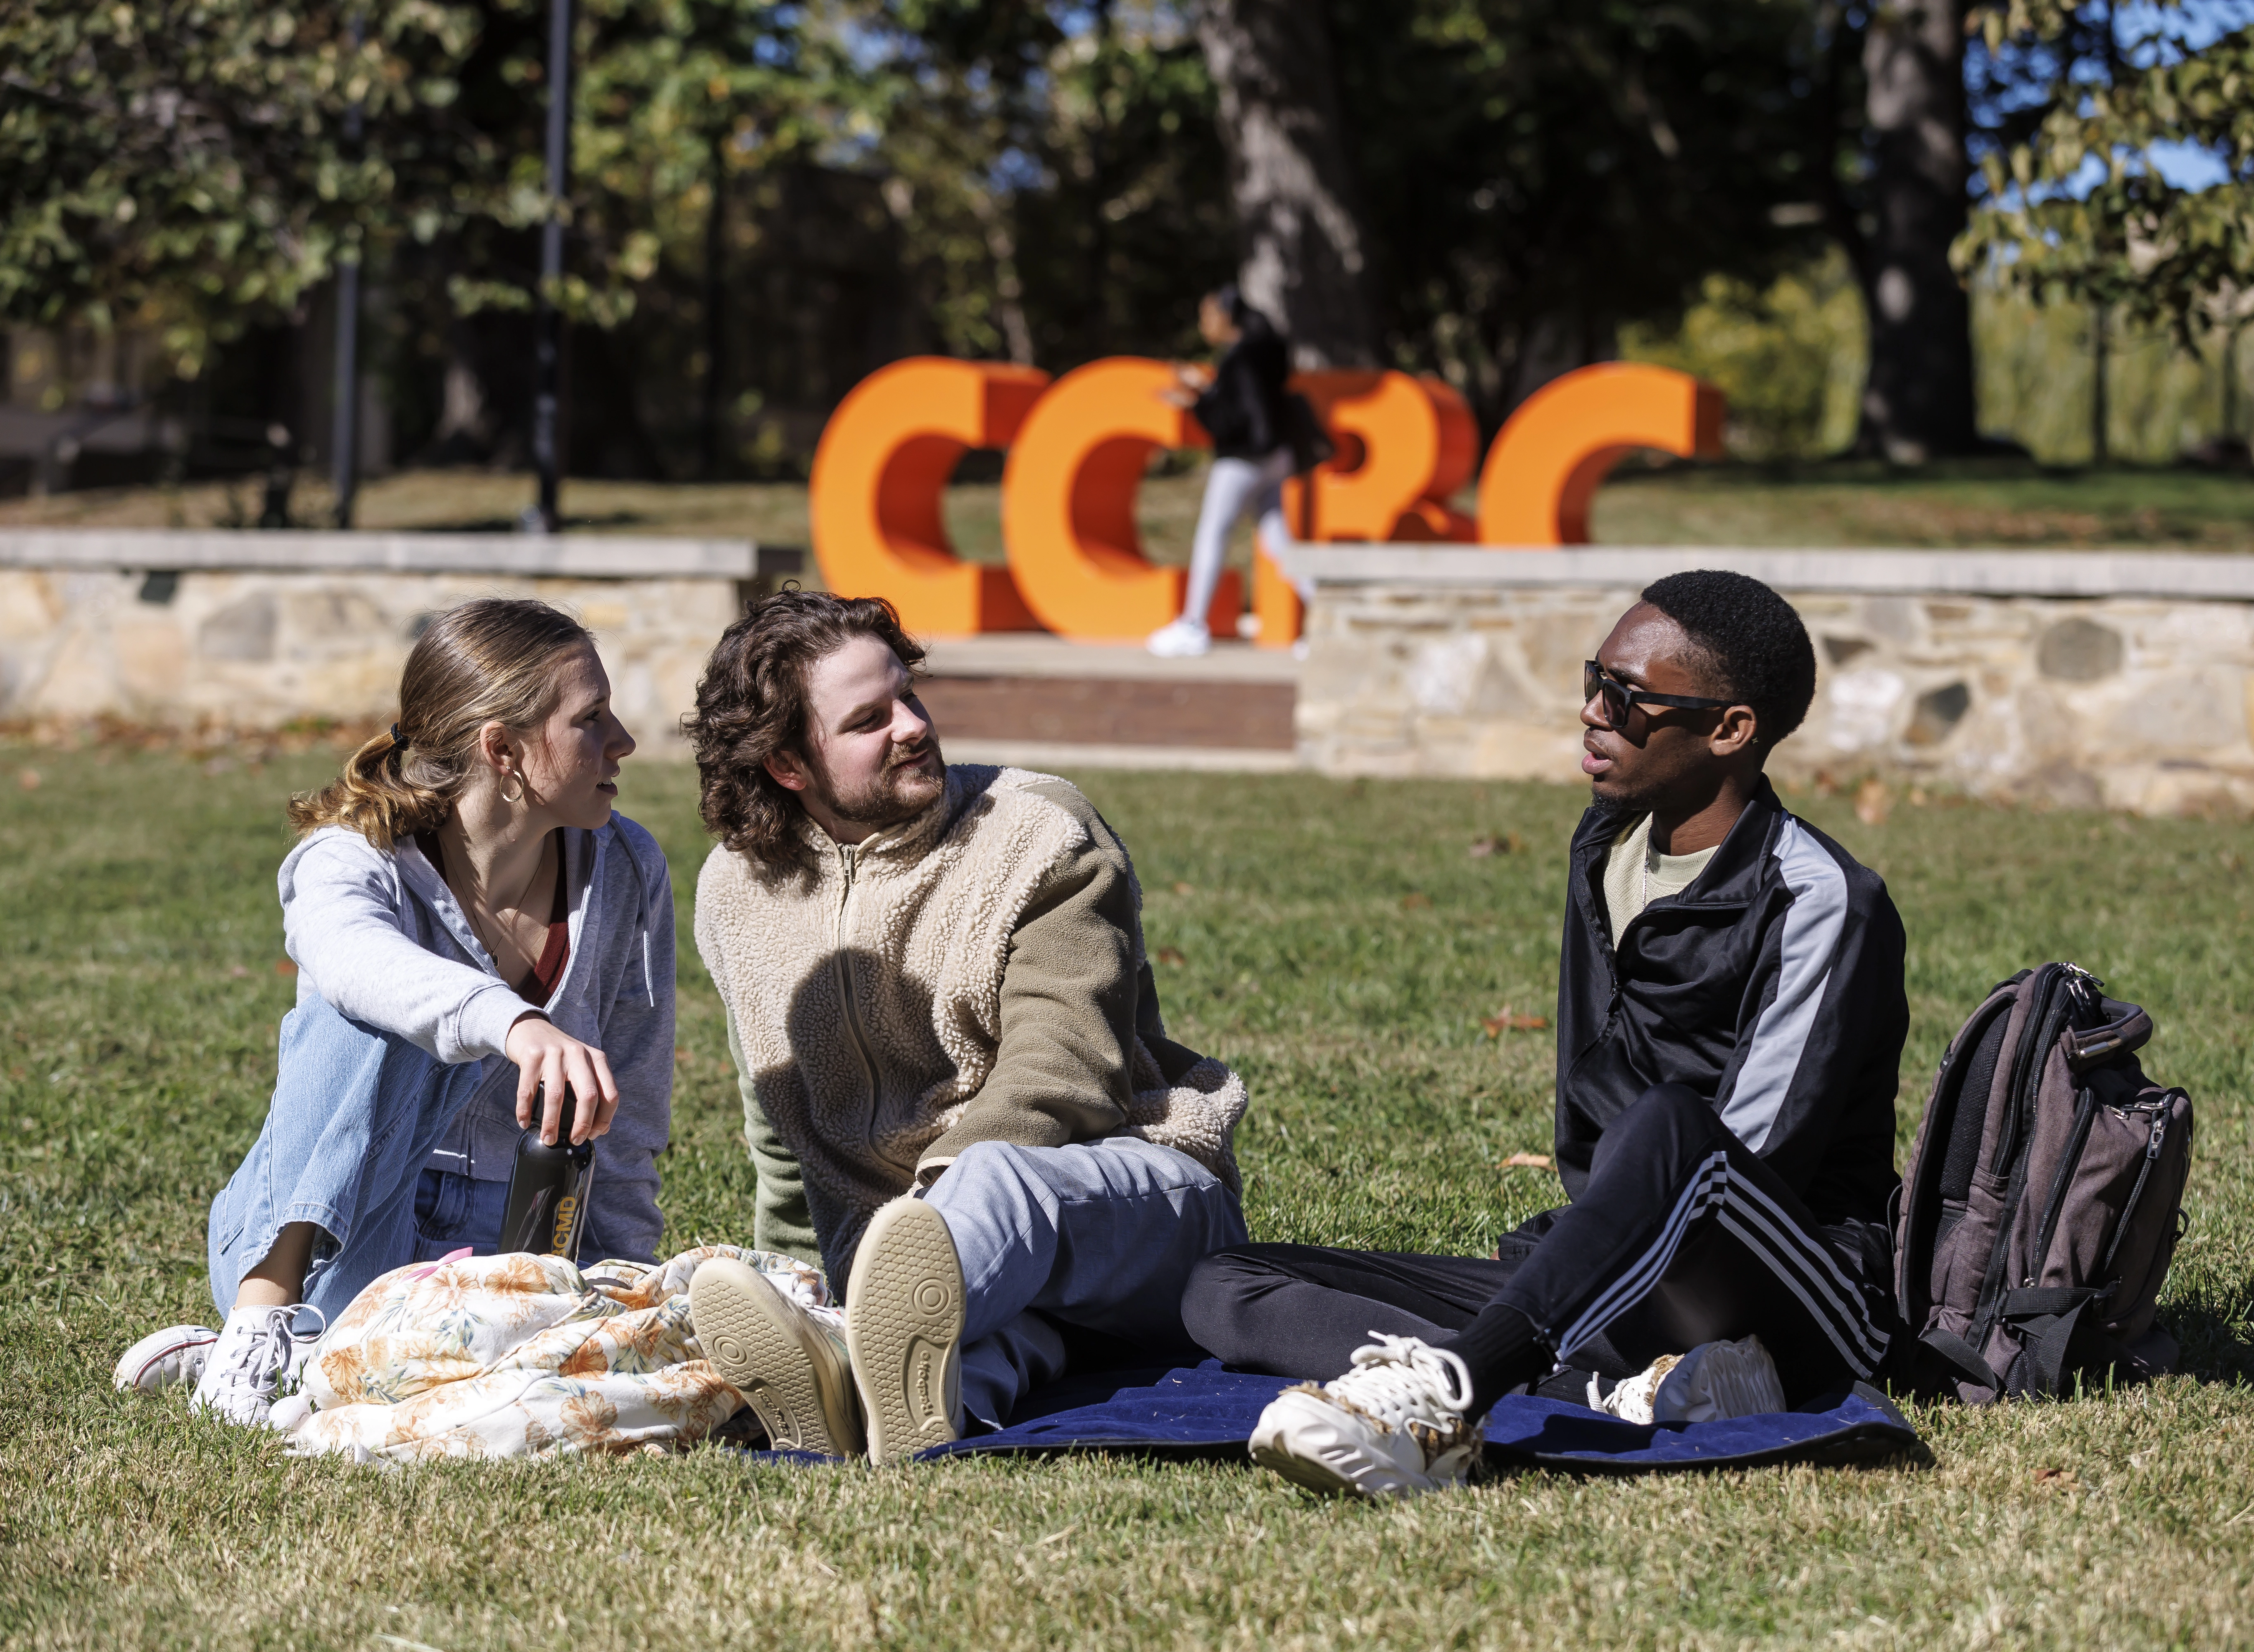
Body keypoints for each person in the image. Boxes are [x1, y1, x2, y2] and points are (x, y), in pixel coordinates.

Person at [1181, 570, 1910, 1497]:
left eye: (1630, 699)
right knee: (1226, 1283)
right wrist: (1574, 1260)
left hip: (1786, 1285)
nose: (1594, 714)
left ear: (1731, 729)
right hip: (1615, 1267)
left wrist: (1599, 1241)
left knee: (1672, 1124)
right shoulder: (1604, 842)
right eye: (1592, 682)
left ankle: (1450, 1394)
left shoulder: (1818, 897)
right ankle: (1611, 1382)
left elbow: (1748, 1161)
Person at [682, 589, 1249, 1461]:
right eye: (869, 718)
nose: (912, 724)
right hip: (920, 1276)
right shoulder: (735, 891)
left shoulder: (1038, 834)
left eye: (908, 694)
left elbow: (1063, 1074)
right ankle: (885, 1417)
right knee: (981, 1353)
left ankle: (840, 1340)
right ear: (789, 765)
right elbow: (779, 1118)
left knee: (994, 1184)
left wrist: (930, 1215)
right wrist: (792, 1272)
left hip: (1126, 1196)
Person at [112, 598, 675, 1425]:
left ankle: (316, 1362)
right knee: (368, 1007)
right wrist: (514, 1021)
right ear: (502, 749)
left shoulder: (625, 865)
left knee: (511, 1389)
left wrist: (629, 1284)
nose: (622, 739)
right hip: (338, 1227)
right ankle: (262, 1325)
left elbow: (629, 1105)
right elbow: (353, 962)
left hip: (511, 1242)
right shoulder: (352, 857)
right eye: (590, 719)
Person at [1145, 285, 1295, 659]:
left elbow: (1236, 417)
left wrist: (1195, 403)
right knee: (1280, 543)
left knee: (1213, 534)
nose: (1204, 325)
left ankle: (1193, 625)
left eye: (1208, 316)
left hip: (1244, 458)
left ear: (1227, 317)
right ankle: (1325, 611)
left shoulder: (1241, 358)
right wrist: (1207, 389)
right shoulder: (1263, 352)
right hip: (1277, 456)